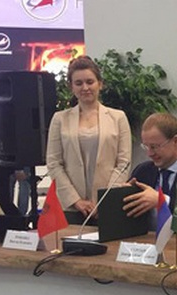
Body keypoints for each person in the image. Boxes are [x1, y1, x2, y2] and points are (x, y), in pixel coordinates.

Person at [46, 56, 131, 220]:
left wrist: (105, 199)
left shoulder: (118, 117)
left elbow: (123, 163)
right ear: (71, 87)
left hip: (107, 207)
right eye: (78, 83)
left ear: (100, 83)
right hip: (71, 208)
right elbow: (54, 163)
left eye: (90, 82)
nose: (85, 87)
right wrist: (75, 200)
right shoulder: (59, 119)